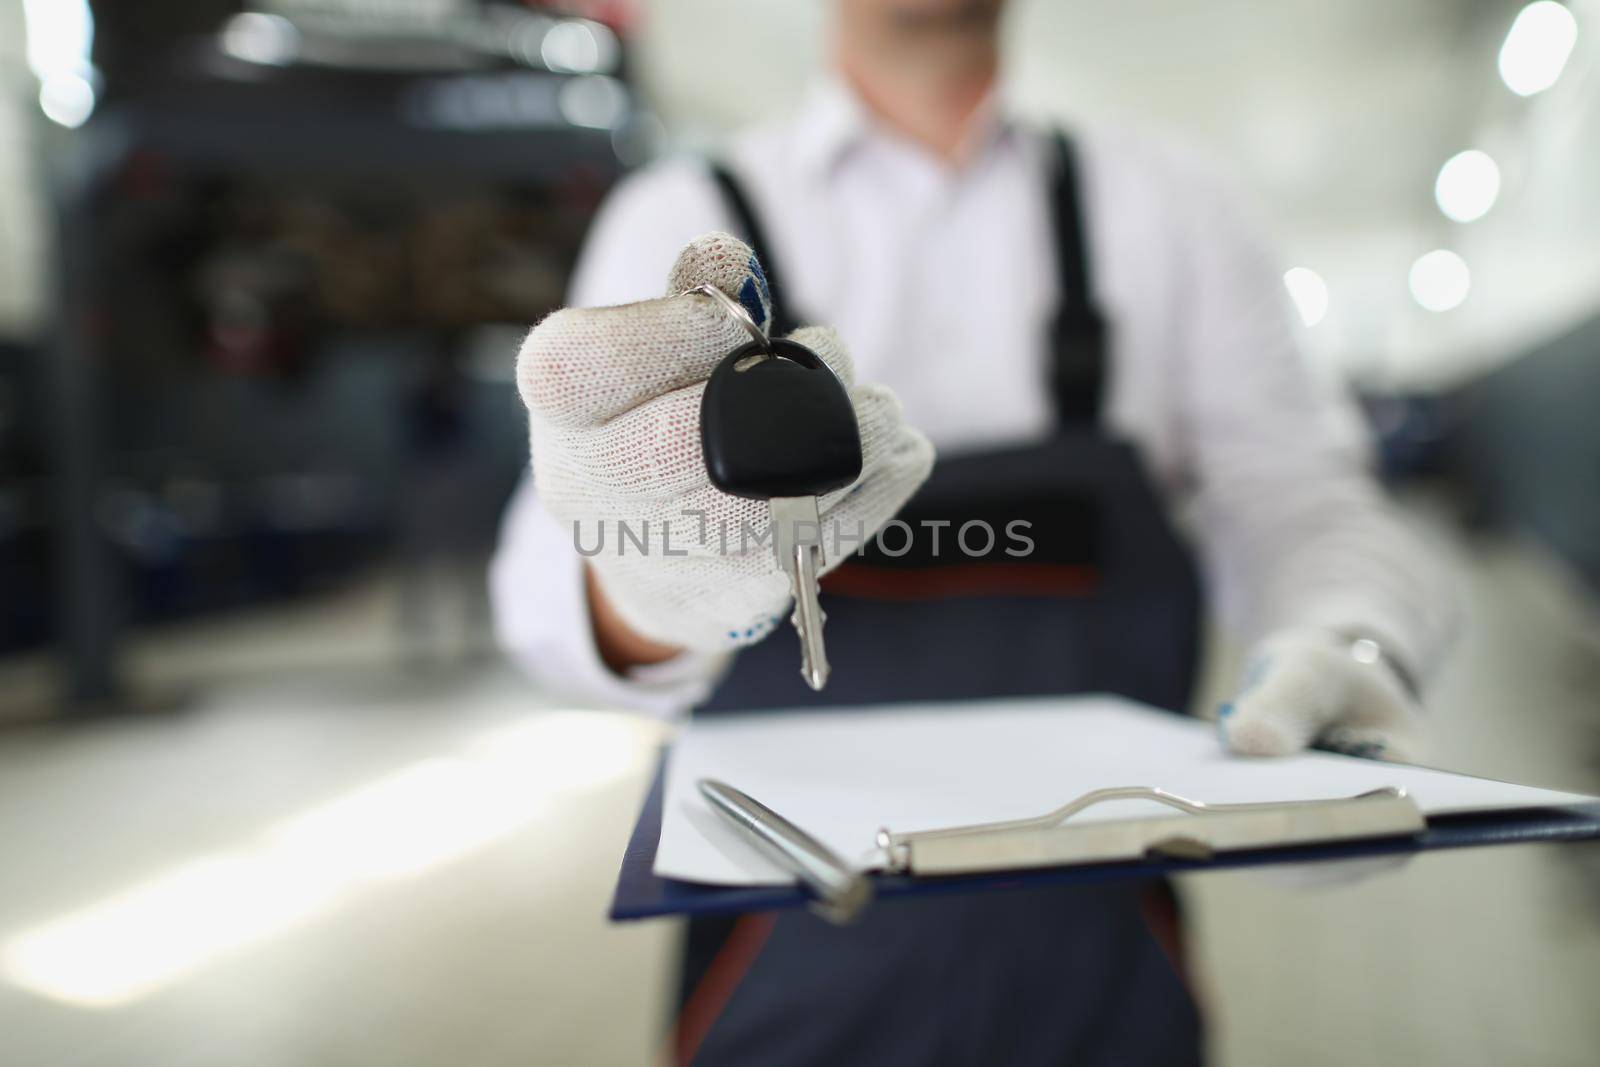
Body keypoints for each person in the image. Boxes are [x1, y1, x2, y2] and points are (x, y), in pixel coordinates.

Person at [492, 0, 1457, 1062]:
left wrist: (1348, 640)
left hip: (1109, 970)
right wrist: (645, 592)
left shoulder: (1175, 206)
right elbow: (543, 587)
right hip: (777, 968)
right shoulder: (673, 220)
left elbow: (1302, 500)